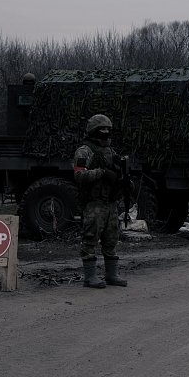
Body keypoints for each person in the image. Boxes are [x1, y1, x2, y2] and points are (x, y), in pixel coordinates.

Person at [73, 114, 128, 289]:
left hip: (110, 203)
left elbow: (118, 173)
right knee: (90, 239)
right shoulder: (84, 151)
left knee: (111, 239)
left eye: (108, 129)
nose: (105, 132)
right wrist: (102, 173)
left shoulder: (111, 151)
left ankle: (112, 275)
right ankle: (90, 277)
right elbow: (79, 175)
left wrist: (124, 181)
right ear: (94, 131)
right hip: (94, 203)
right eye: (102, 129)